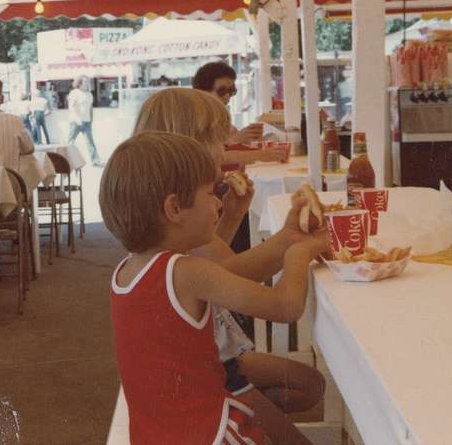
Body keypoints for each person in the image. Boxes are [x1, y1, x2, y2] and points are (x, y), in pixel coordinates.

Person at [103, 131, 326, 445]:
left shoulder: (126, 272)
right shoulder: (187, 271)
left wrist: (290, 238)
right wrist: (301, 252)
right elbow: (285, 306)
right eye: (210, 194)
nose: (218, 203)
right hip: (208, 432)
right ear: (174, 208)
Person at [67, 75, 102, 165]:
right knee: (70, 142)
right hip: (75, 122)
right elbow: (71, 106)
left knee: (90, 142)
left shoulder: (89, 94)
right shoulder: (74, 92)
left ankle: (95, 161)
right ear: (79, 83)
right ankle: (66, 160)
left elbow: (90, 107)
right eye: (85, 81)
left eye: (88, 81)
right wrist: (77, 118)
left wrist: (91, 119)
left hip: (87, 122)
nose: (87, 83)